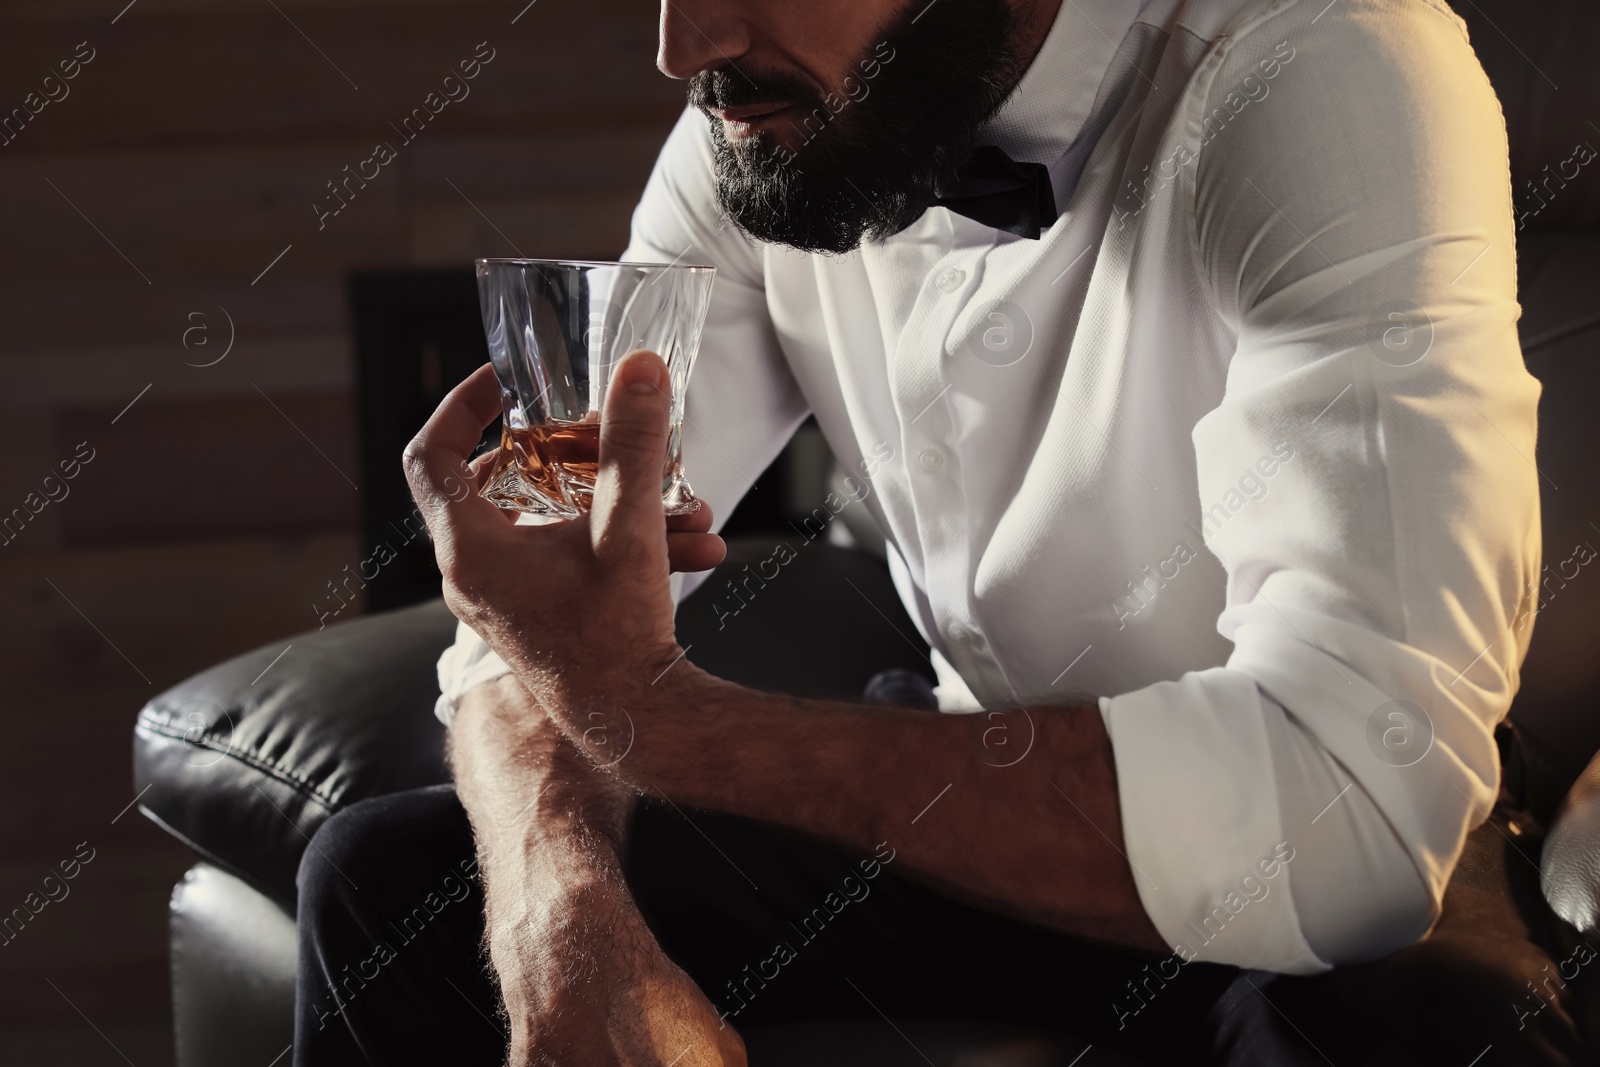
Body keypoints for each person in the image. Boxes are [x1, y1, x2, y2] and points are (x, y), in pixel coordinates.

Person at [293, 0, 1589, 1063]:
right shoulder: (755, 131)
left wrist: (666, 724)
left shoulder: (1329, 65)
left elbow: (1352, 807)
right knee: (383, 886)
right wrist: (557, 916)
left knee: (1420, 1033)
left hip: (1307, 823)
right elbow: (537, 601)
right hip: (966, 785)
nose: (682, 46)